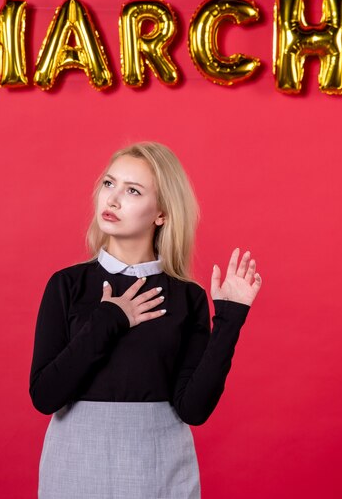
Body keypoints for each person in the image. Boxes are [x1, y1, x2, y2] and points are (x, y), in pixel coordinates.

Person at [29, 141, 262, 499]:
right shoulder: (67, 285)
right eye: (109, 184)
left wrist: (229, 320)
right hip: (76, 466)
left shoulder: (187, 296)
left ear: (162, 214)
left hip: (159, 468)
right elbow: (45, 396)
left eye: (132, 190)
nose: (113, 199)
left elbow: (193, 409)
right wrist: (110, 319)